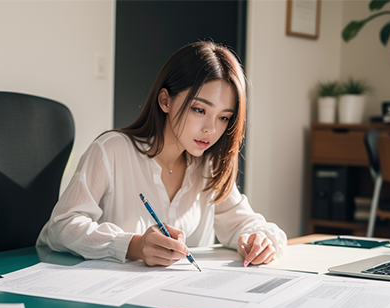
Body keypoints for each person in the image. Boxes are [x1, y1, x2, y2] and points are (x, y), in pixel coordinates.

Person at [37, 41, 287, 268]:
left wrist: (261, 240)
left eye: (223, 117)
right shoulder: (111, 150)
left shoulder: (207, 167)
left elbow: (248, 223)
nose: (211, 129)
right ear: (165, 100)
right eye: (200, 109)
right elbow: (62, 227)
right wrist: (133, 245)